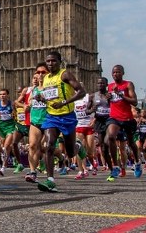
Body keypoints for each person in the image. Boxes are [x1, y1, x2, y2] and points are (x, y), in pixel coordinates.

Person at [37, 51, 86, 192]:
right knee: (49, 145)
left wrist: (64, 102)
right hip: (51, 116)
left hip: (67, 116)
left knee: (71, 153)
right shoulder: (46, 78)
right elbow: (50, 97)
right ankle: (50, 180)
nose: (50, 63)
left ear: (59, 62)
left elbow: (81, 92)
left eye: (53, 61)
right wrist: (42, 98)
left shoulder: (65, 75)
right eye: (48, 61)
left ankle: (78, 146)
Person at [103, 65, 143, 181]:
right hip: (114, 117)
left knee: (131, 143)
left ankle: (137, 162)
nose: (116, 74)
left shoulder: (128, 84)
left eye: (118, 72)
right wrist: (108, 97)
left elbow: (134, 102)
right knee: (111, 137)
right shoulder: (109, 86)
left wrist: (121, 94)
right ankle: (115, 166)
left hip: (127, 118)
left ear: (123, 73)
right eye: (114, 72)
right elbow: (109, 101)